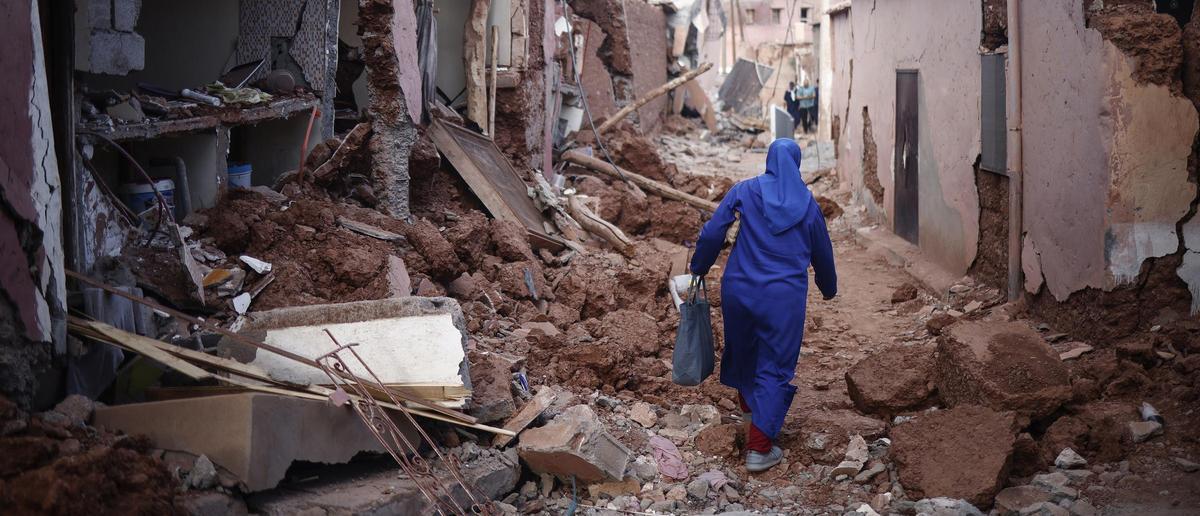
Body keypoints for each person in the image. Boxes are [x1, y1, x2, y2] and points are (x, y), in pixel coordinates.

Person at [689, 138, 837, 472]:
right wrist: (828, 287)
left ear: (769, 160)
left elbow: (713, 233)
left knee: (744, 353)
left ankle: (752, 415)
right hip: (783, 299)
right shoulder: (809, 205)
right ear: (796, 164)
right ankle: (759, 448)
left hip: (738, 290)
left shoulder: (744, 190)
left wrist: (699, 267)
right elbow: (822, 253)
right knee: (775, 364)